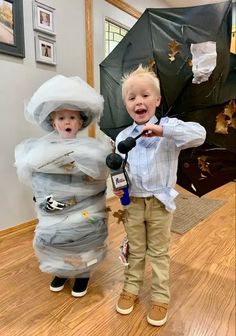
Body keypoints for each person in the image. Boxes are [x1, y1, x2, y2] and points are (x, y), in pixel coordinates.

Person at [113, 65, 206, 326]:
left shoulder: (169, 127)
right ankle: (131, 289)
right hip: (132, 202)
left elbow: (200, 134)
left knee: (159, 251)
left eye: (144, 95)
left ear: (157, 100)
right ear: (126, 105)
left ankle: (160, 297)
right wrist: (118, 185)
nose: (138, 101)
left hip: (160, 203)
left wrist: (163, 131)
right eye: (131, 98)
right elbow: (120, 169)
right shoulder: (123, 137)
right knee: (136, 249)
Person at [15, 75, 111, 297]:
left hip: (85, 206)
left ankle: (83, 273)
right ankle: (60, 269)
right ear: (53, 122)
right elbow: (35, 176)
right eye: (61, 118)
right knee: (57, 236)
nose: (67, 122)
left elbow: (98, 173)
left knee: (83, 236)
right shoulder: (41, 150)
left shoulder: (92, 149)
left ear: (81, 122)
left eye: (72, 117)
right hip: (55, 206)